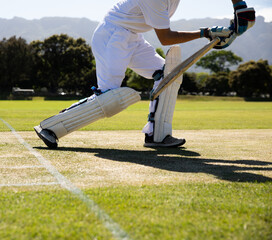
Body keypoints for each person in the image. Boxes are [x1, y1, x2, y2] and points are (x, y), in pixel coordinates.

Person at [34, 0, 255, 149]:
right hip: (113, 35)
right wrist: (205, 33)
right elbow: (166, 38)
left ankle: (157, 135)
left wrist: (240, 6)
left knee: (169, 75)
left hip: (133, 37)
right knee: (109, 98)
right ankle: (50, 127)